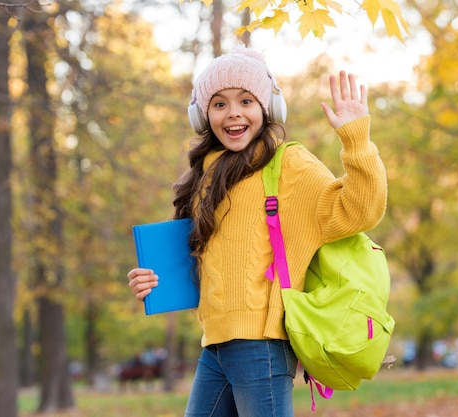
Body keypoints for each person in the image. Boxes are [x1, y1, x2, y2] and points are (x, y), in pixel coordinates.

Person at [127, 46, 387, 417]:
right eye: (219, 104)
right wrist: (152, 282)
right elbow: (206, 262)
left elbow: (361, 209)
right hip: (215, 344)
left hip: (261, 344)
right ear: (202, 116)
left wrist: (356, 140)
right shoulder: (205, 176)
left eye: (245, 100)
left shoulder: (289, 164)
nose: (233, 112)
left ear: (268, 108)